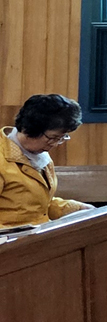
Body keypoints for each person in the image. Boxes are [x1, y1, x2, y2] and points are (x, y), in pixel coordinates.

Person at [2, 94, 90, 227]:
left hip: (36, 236)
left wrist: (76, 208)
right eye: (53, 137)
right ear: (29, 129)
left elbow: (37, 206)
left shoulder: (40, 156)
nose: (55, 144)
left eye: (61, 138)